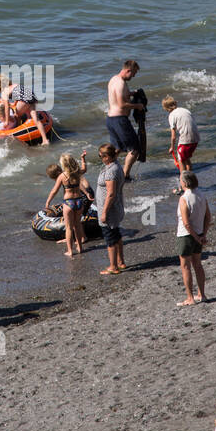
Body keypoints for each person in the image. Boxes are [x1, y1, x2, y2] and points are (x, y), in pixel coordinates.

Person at [44, 152, 94, 258]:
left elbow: (54, 191)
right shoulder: (76, 173)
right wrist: (83, 158)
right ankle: (80, 247)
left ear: (63, 165)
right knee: (77, 225)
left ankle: (70, 251)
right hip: (79, 201)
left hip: (69, 203)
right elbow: (84, 169)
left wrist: (48, 202)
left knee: (69, 228)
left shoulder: (62, 176)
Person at [106, 59, 144, 180]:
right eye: (133, 73)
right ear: (128, 70)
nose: (133, 76)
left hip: (110, 119)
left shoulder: (114, 79)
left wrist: (133, 93)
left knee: (117, 149)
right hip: (119, 120)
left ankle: (109, 173)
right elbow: (121, 104)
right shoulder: (121, 83)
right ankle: (125, 175)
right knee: (135, 149)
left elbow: (120, 95)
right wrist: (137, 106)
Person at [176, 171, 210, 306]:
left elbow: (186, 223)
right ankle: (202, 294)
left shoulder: (184, 198)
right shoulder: (202, 195)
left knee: (185, 267)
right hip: (199, 234)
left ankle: (190, 298)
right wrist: (203, 235)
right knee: (198, 265)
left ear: (184, 183)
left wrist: (196, 237)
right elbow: (208, 217)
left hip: (186, 236)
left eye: (181, 180)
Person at [97, 143, 126, 275]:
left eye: (101, 156)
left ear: (107, 157)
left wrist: (104, 212)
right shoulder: (116, 165)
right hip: (116, 206)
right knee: (116, 234)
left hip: (110, 209)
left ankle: (113, 266)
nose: (100, 158)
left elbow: (111, 193)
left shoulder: (111, 171)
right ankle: (121, 262)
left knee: (110, 239)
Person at [163, 96, 199, 190]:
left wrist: (172, 147)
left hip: (185, 140)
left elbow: (173, 136)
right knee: (186, 159)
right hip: (196, 138)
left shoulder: (171, 116)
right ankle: (190, 184)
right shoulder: (185, 110)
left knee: (181, 161)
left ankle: (183, 186)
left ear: (166, 108)